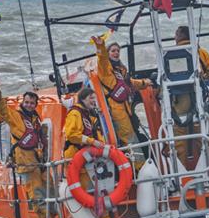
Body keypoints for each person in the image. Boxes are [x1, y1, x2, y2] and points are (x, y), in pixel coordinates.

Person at [0, 72, 59, 218]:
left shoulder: (35, 119)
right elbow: (2, 108)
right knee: (38, 197)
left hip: (40, 163)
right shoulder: (15, 117)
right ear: (23, 103)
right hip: (27, 165)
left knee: (52, 194)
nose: (29, 105)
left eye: (32, 103)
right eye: (26, 102)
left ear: (35, 104)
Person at [91, 36, 152, 170]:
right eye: (113, 50)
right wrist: (101, 47)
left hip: (126, 107)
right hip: (115, 108)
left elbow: (129, 84)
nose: (116, 53)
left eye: (118, 50)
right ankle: (139, 168)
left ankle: (140, 165)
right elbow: (102, 60)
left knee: (134, 134)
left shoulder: (121, 70)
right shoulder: (106, 69)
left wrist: (145, 83)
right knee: (129, 139)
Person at [173, 26, 209, 167]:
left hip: (180, 101)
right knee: (203, 135)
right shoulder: (200, 52)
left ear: (179, 36)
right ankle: (208, 166)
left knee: (179, 138)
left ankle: (179, 171)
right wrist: (202, 78)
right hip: (199, 100)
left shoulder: (171, 53)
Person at [64, 87, 105, 189]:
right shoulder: (75, 113)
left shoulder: (88, 115)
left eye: (94, 98)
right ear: (82, 99)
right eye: (91, 98)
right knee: (86, 188)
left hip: (87, 157)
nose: (93, 100)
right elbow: (72, 134)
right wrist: (92, 142)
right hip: (75, 155)